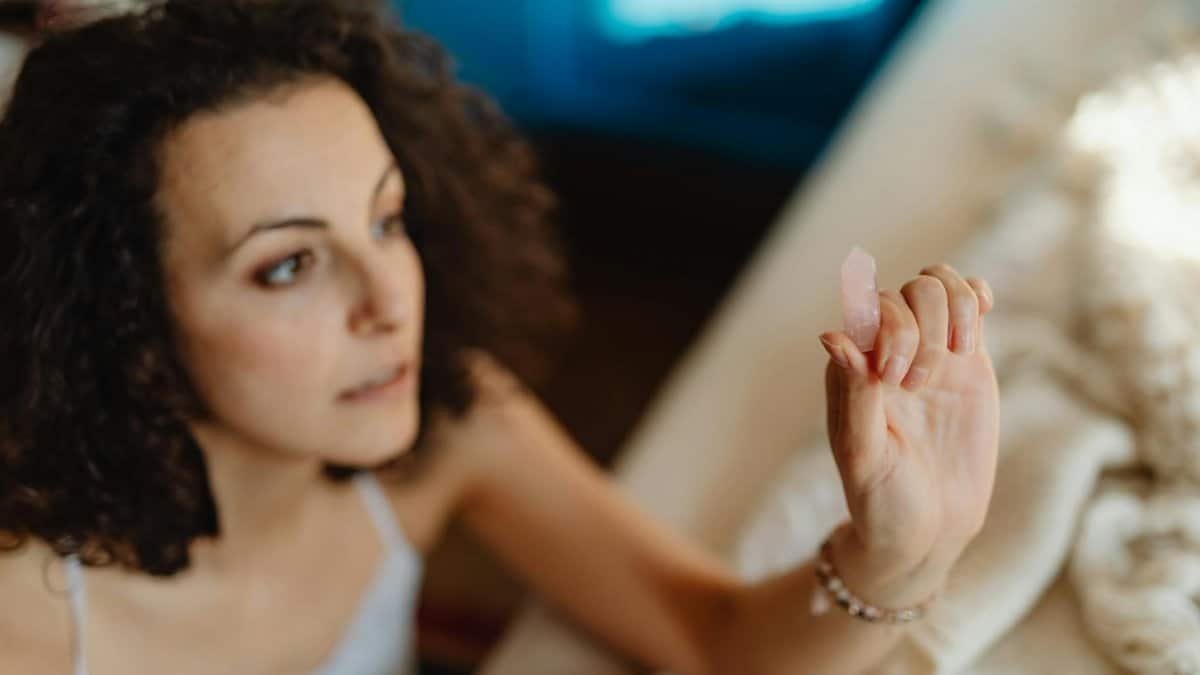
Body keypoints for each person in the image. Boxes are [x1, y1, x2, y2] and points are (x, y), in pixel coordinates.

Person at [0, 1, 1000, 673]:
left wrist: (899, 553)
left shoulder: (448, 422)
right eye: (289, 265)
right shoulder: (24, 608)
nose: (391, 300)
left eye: (387, 221)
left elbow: (712, 639)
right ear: (118, 316)